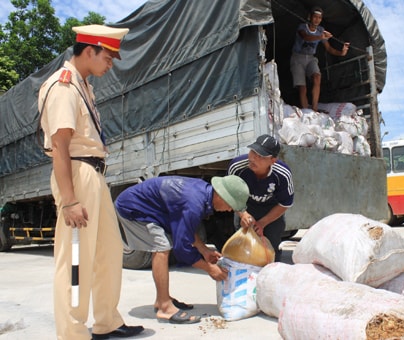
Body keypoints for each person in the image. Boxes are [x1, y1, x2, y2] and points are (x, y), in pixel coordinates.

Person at [38, 25, 144, 339]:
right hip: (77, 173)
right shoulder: (63, 86)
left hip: (94, 174)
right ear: (89, 51)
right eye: (108, 56)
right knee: (75, 260)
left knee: (108, 253)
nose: (111, 63)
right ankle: (72, 333)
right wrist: (69, 200)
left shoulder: (83, 86)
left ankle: (106, 322)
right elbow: (59, 144)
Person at [114, 175, 250, 324]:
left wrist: (204, 250)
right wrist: (209, 269)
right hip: (133, 208)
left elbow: (183, 226)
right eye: (231, 205)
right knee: (161, 247)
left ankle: (162, 299)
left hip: (149, 208)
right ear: (221, 196)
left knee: (164, 245)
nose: (229, 210)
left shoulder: (202, 194)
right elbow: (182, 249)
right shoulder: (194, 204)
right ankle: (164, 307)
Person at [228, 134, 294, 262]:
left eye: (261, 156)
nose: (253, 158)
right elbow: (230, 194)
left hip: (271, 210)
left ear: (272, 160)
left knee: (270, 248)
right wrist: (243, 214)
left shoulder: (282, 174)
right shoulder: (237, 167)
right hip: (245, 206)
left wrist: (263, 223)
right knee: (243, 246)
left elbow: (285, 203)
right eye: (253, 152)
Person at [290, 6, 350, 112]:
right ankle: (306, 111)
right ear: (310, 17)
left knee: (317, 77)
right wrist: (320, 37)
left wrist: (342, 52)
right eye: (315, 17)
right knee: (302, 87)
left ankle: (314, 108)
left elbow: (328, 48)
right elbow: (306, 37)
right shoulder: (302, 27)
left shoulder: (320, 31)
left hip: (311, 58)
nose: (317, 20)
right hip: (297, 58)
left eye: (319, 18)